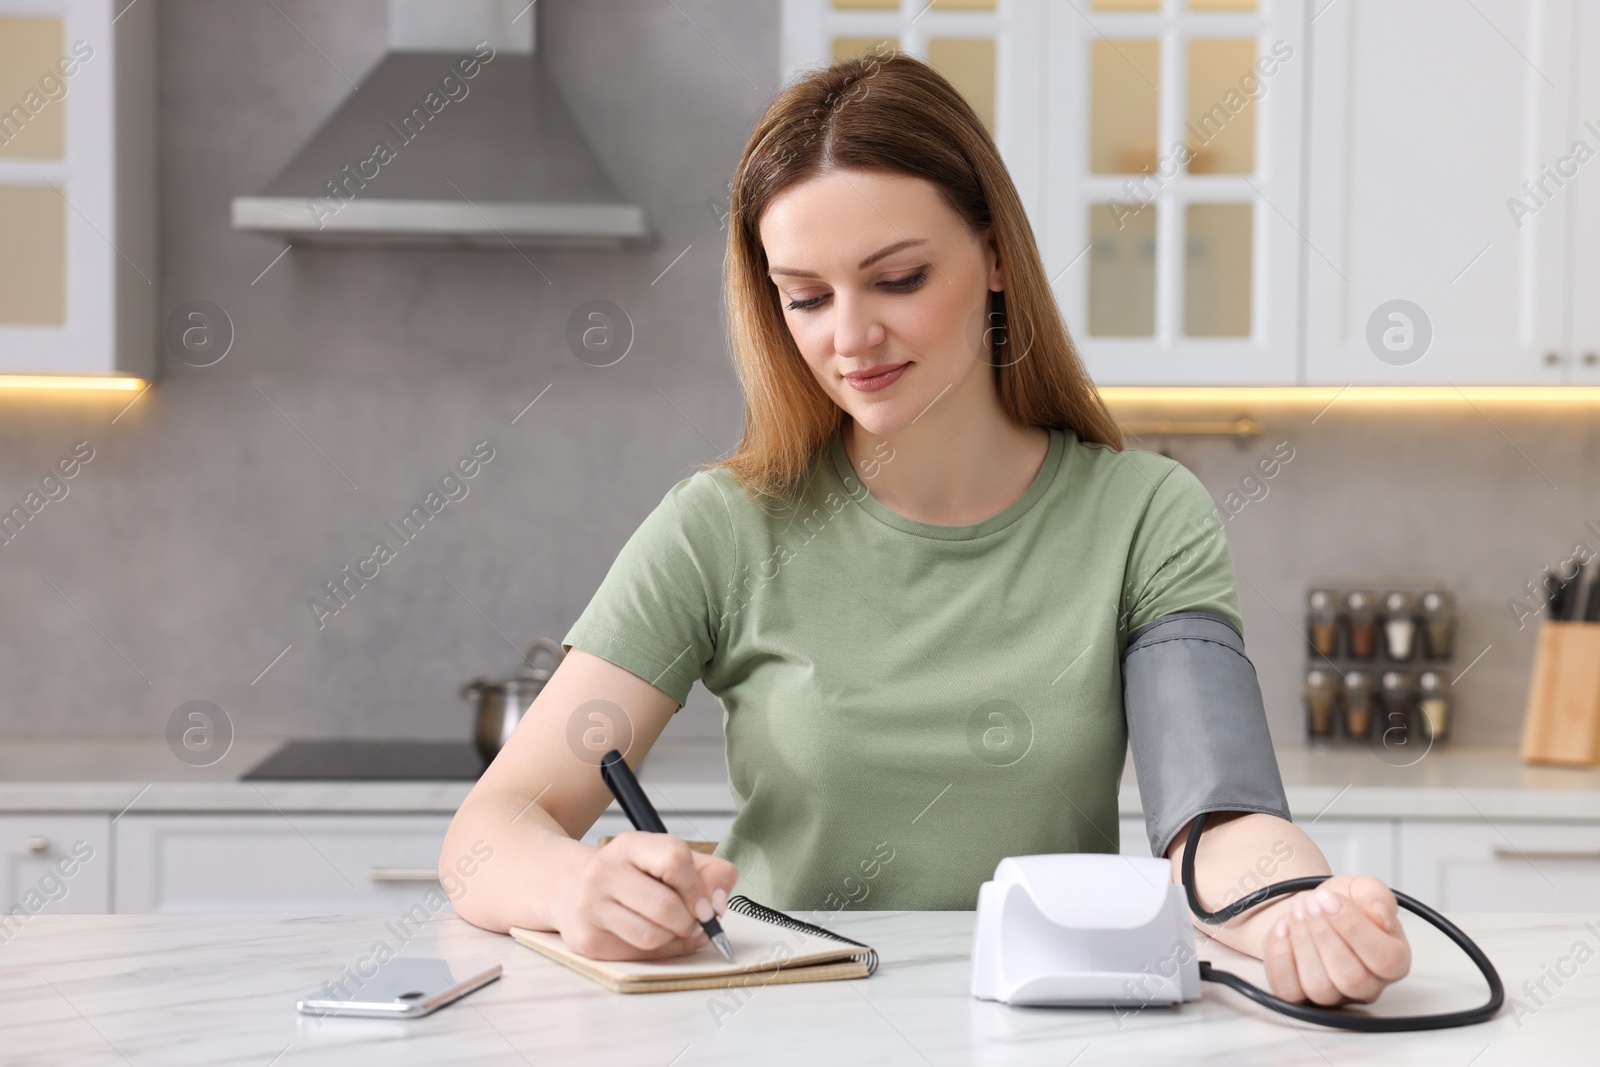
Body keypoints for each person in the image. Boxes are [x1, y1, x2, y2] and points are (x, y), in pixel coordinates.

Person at [441, 51, 1412, 1008]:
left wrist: (1296, 909)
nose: (848, 338)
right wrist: (577, 887)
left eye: (897, 278)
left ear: (994, 256)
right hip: (783, 1019)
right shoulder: (720, 526)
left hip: (1044, 1023)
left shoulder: (1145, 513)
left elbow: (1219, 810)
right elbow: (490, 827)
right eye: (807, 297)